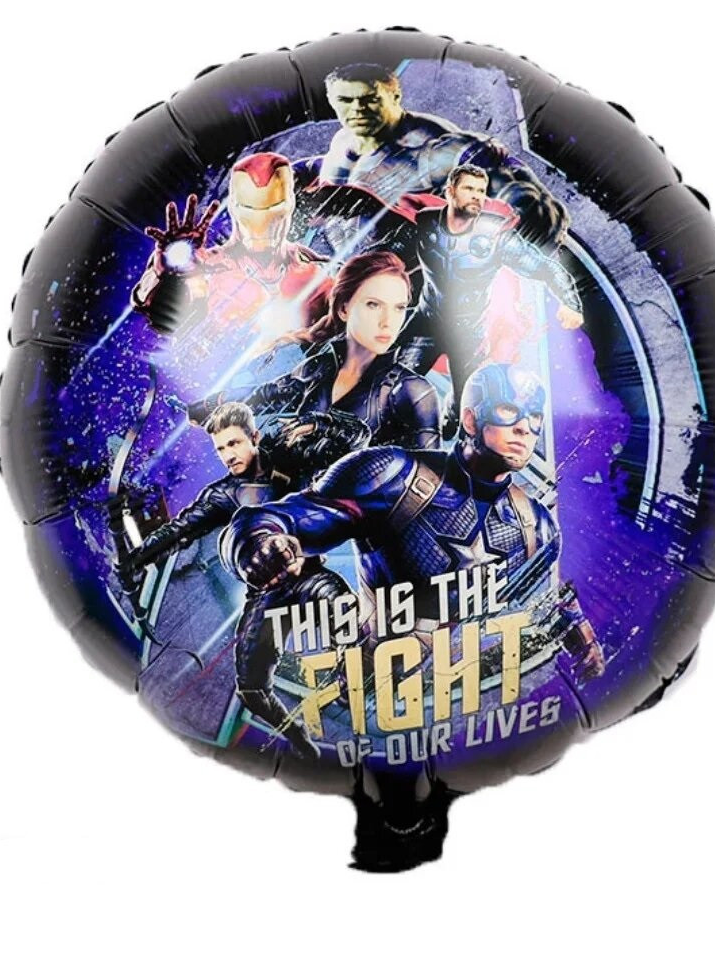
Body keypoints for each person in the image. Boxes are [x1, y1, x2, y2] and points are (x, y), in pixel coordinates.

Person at [222, 363, 604, 680]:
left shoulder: (537, 528)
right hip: (356, 649)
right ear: (471, 419)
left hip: (425, 677)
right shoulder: (392, 475)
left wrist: (581, 635)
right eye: (508, 411)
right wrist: (258, 543)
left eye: (534, 417)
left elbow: (545, 596)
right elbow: (279, 519)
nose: (524, 427)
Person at [118, 400, 361, 760]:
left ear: (254, 437)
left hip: (310, 577)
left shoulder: (291, 460)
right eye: (220, 449)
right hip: (266, 594)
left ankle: (353, 686)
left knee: (349, 620)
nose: (228, 455)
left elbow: (357, 440)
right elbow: (179, 530)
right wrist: (135, 559)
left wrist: (317, 424)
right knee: (251, 689)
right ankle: (301, 743)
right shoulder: (222, 495)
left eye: (233, 443)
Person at [298, 62, 569, 252]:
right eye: (345, 101)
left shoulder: (432, 146)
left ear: (395, 96)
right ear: (332, 101)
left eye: (370, 99)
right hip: (355, 280)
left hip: (419, 283)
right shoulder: (344, 141)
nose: (358, 109)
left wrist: (528, 212)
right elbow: (334, 171)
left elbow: (517, 191)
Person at [189, 249, 441, 451]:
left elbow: (428, 475)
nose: (388, 321)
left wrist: (333, 428)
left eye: (399, 307)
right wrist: (212, 404)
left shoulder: (412, 391)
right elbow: (265, 395)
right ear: (344, 309)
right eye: (373, 304)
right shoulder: (320, 368)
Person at [396, 163, 585, 428]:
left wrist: (570, 302)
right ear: (450, 192)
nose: (477, 196)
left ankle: (451, 415)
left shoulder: (496, 237)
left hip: (468, 333)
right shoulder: (426, 223)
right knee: (391, 387)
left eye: (481, 191)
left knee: (463, 412)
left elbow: (545, 267)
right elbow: (392, 255)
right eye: (469, 189)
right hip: (426, 320)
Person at [132, 152, 329, 339]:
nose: (262, 221)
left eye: (274, 209)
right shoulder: (216, 271)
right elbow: (152, 309)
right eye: (249, 209)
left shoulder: (299, 255)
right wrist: (160, 274)